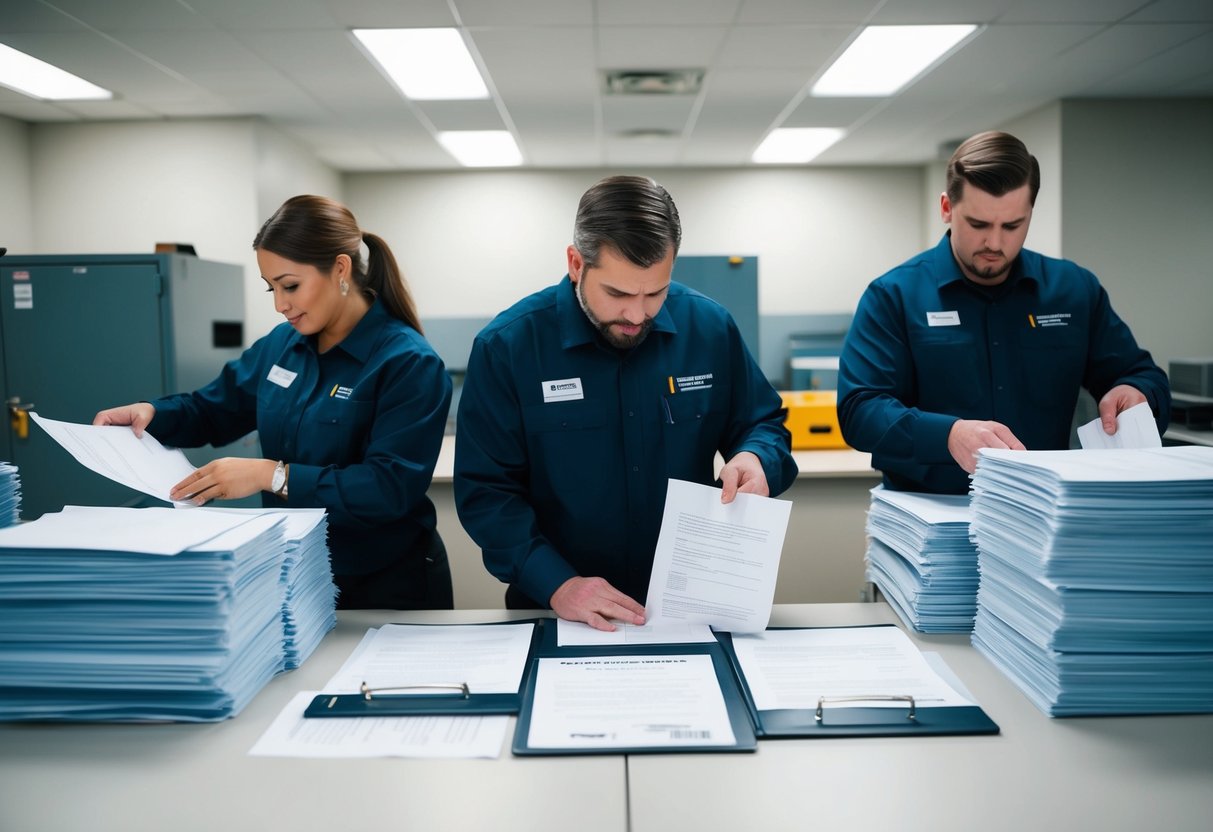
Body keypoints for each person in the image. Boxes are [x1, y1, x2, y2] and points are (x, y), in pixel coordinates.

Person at [454, 175, 797, 631]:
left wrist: (757, 457)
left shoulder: (709, 328)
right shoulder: (510, 346)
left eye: (655, 293)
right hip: (559, 609)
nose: (637, 315)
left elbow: (763, 422)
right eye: (617, 294)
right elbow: (487, 492)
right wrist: (558, 584)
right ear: (576, 264)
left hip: (690, 606)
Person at [95, 195, 453, 609]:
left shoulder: (407, 362)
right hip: (298, 570)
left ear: (340, 269)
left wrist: (274, 476)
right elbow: (214, 408)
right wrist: (152, 413)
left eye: (291, 286)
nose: (279, 304)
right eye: (272, 288)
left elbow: (388, 488)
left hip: (386, 584)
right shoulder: (283, 346)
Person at [837, 131, 1170, 494]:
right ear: (947, 208)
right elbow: (860, 410)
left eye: (1012, 226)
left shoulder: (1073, 290)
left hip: (1043, 513)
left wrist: (1137, 392)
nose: (994, 243)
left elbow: (1141, 374)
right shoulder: (893, 296)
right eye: (978, 225)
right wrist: (947, 435)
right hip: (931, 517)